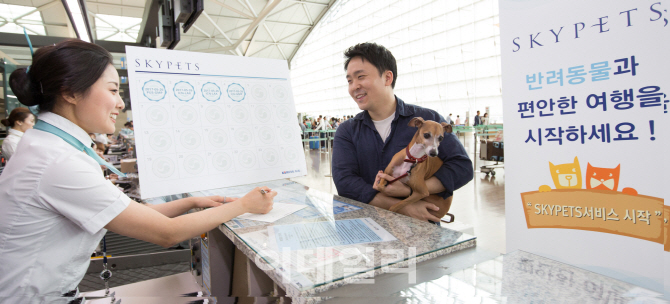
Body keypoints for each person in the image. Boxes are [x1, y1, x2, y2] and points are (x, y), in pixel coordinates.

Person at [0, 39, 276, 301]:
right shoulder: (58, 162)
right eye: (112, 90)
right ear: (70, 92)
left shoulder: (49, 147)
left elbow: (130, 213)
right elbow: (166, 233)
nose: (120, 103)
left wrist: (193, 201)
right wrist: (245, 204)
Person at [333, 42, 473, 223]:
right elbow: (346, 184)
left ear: (387, 78)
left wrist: (411, 190)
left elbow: (462, 167)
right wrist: (405, 207)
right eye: (350, 80)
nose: (354, 87)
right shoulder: (347, 131)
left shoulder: (428, 120)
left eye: (361, 77)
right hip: (367, 228)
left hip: (420, 231)